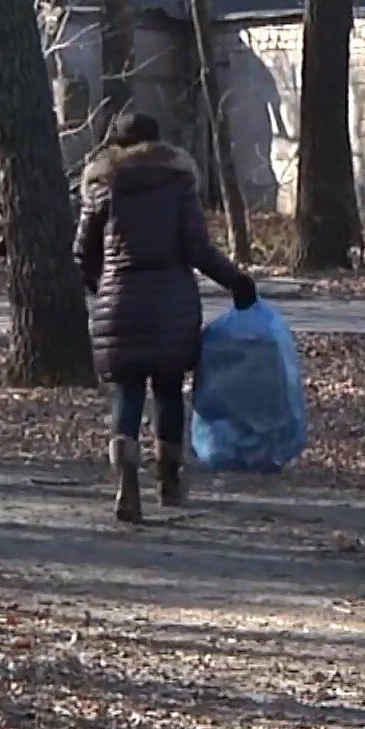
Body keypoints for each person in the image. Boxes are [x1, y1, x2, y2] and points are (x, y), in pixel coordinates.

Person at [74, 112, 256, 523]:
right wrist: (237, 282)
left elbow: (82, 253)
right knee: (169, 390)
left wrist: (99, 288)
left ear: (115, 147)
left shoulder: (103, 188)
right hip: (172, 304)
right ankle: (168, 479)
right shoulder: (178, 185)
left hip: (119, 303)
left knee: (128, 390)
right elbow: (197, 250)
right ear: (160, 145)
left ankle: (125, 473)